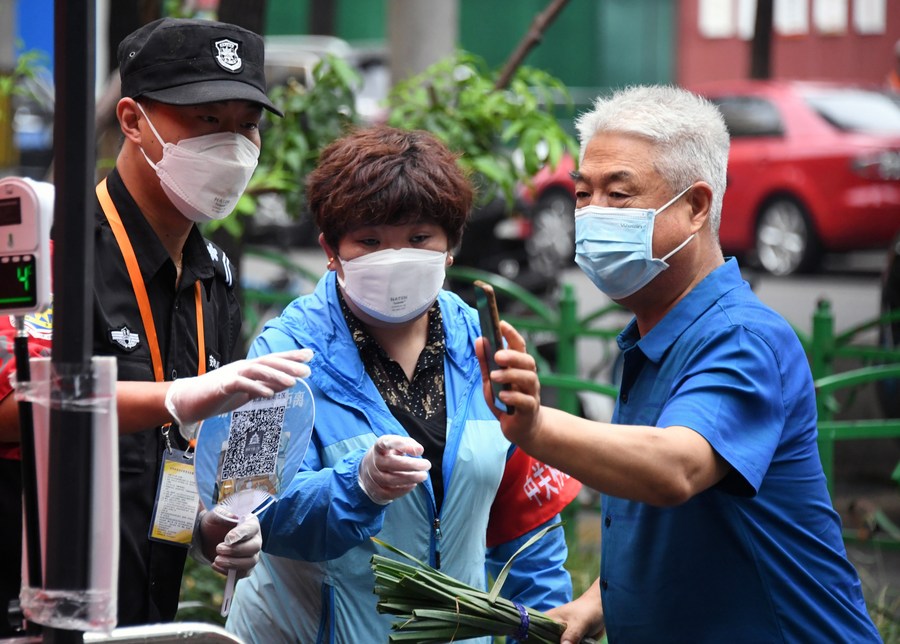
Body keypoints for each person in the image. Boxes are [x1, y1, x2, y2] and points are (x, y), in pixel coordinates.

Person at [476, 85, 881, 643]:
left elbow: (675, 468)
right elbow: (671, 516)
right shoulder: (655, 334)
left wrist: (537, 427)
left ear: (695, 207)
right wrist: (600, 600)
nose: (593, 215)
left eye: (619, 195)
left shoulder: (742, 339)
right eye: (583, 193)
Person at [0, 17, 314, 633]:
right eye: (205, 119)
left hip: (146, 618)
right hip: (30, 613)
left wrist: (215, 524)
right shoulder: (55, 244)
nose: (231, 145)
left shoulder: (214, 275)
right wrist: (174, 397)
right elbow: (12, 397)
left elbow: (183, 460)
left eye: (245, 124)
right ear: (132, 120)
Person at [225, 125, 580, 643]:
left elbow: (525, 524)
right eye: (369, 241)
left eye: (418, 239)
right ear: (331, 248)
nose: (393, 259)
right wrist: (358, 484)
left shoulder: (485, 344)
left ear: (449, 245)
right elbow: (251, 507)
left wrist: (547, 625)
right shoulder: (280, 351)